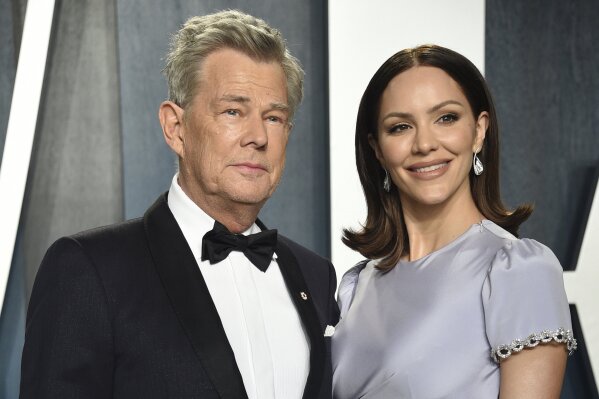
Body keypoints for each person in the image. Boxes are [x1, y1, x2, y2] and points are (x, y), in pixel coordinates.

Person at [20, 10, 338, 399]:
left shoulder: (315, 275)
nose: (257, 136)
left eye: (273, 118)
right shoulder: (89, 268)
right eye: (233, 112)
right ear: (176, 128)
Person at [331, 45, 576, 398]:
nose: (425, 144)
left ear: (479, 131)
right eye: (400, 127)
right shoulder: (357, 286)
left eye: (446, 118)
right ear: (377, 149)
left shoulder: (519, 270)